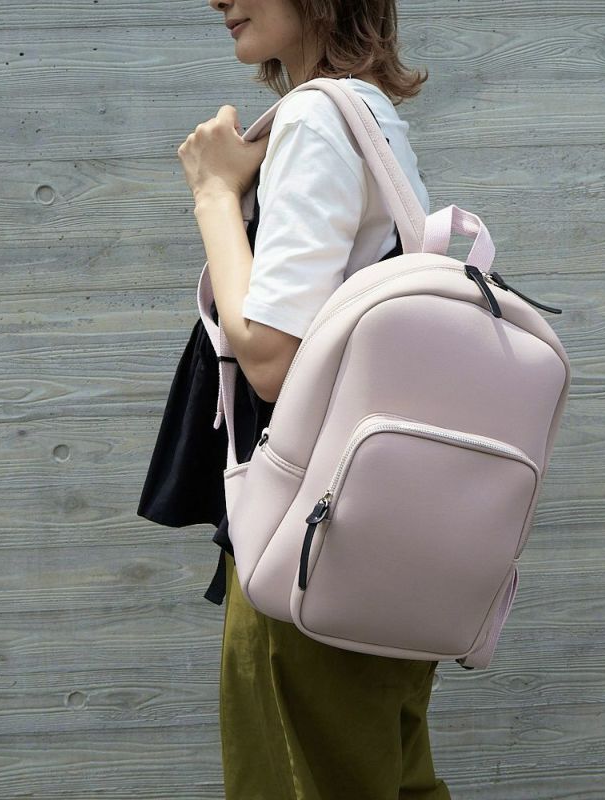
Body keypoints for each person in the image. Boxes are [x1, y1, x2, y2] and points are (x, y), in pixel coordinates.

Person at [175, 1, 451, 797]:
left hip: (310, 556)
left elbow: (269, 356)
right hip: (387, 550)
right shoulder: (370, 115)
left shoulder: (316, 118)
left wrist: (214, 194)